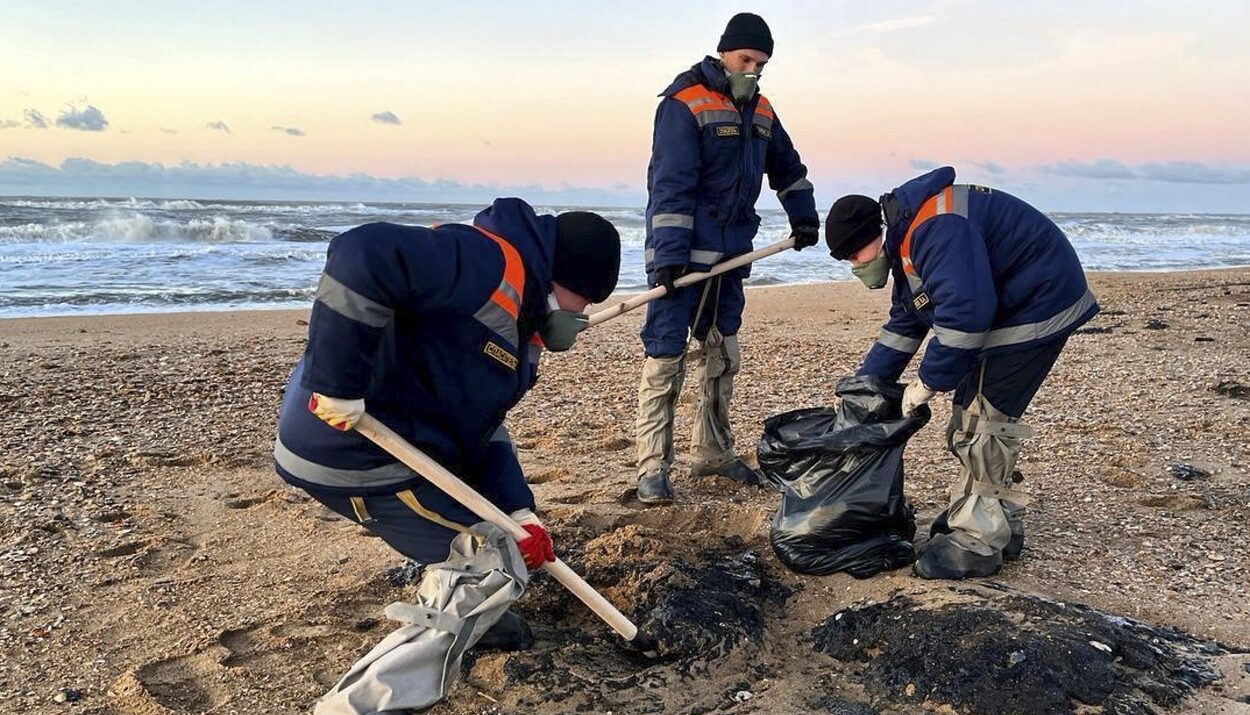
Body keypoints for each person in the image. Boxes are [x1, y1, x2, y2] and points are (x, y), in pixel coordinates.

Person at [272, 198, 620, 708]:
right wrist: (337, 383)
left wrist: (519, 509)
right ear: (561, 275)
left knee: (500, 540)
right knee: (492, 563)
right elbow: (361, 253)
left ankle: (473, 617)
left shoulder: (523, 329)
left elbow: (483, 430)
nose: (580, 314)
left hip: (405, 450)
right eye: (582, 299)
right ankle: (358, 706)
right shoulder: (486, 264)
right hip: (355, 447)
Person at [824, 166, 1099, 579]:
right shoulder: (907, 241)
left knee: (983, 422)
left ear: (873, 237)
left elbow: (966, 318)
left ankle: (979, 541)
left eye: (853, 256)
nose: (854, 266)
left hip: (1037, 305)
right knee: (971, 418)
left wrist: (926, 385)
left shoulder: (935, 230)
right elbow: (907, 322)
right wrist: (865, 386)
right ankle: (998, 519)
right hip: (1013, 303)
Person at [635, 12, 820, 505]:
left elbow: (789, 168)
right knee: (666, 354)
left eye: (762, 64)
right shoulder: (684, 102)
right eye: (746, 59)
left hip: (733, 255)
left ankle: (712, 452)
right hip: (684, 256)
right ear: (724, 53)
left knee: (721, 353)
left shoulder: (762, 111)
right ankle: (652, 467)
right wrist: (669, 257)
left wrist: (803, 215)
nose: (754, 70)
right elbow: (669, 185)